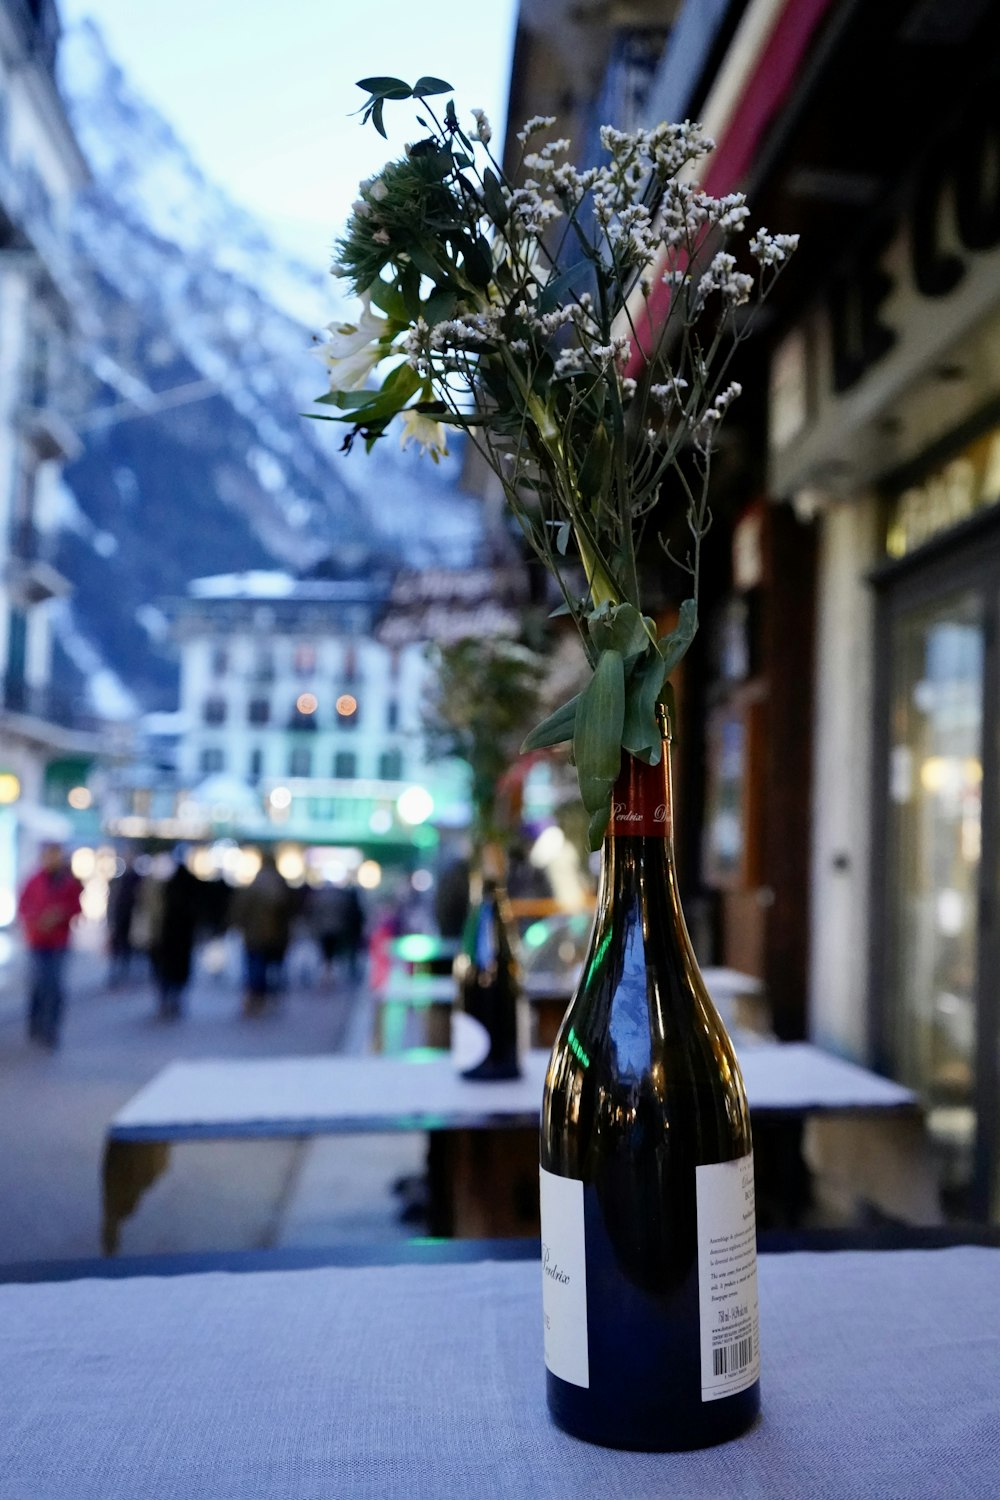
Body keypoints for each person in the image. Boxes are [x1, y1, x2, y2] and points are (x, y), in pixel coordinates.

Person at [17, 843, 83, 1050]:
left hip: (59, 942)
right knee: (37, 985)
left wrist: (60, 914)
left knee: (54, 987)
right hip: (37, 940)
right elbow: (23, 907)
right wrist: (38, 920)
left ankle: (51, 1028)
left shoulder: (67, 881)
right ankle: (35, 1023)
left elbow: (76, 907)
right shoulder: (34, 880)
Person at [230, 853, 295, 1015]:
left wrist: (237, 924)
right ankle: (267, 997)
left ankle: (255, 997)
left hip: (253, 934)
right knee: (272, 967)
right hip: (276, 936)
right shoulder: (281, 884)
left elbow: (241, 909)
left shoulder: (254, 884)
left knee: (255, 966)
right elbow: (291, 911)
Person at [144, 850, 203, 1020]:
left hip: (167, 937)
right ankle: (175, 999)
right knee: (178, 970)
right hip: (183, 938)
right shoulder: (190, 889)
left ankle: (166, 998)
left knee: (165, 970)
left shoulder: (167, 888)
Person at [105, 854, 143, 987]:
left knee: (127, 949)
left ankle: (123, 974)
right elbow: (112, 901)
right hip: (119, 920)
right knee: (117, 950)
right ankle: (115, 974)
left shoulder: (137, 879)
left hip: (130, 921)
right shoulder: (118, 879)